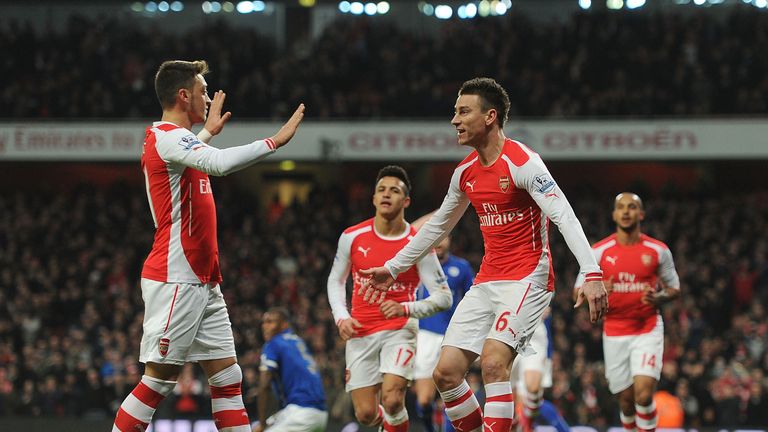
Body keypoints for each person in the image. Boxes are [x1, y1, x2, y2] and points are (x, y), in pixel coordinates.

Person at [361, 77, 608, 432]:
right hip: (487, 280)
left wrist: (592, 272)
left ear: (490, 117)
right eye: (455, 112)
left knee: (493, 363)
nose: (455, 120)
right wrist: (394, 267)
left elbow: (563, 215)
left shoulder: (523, 162)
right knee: (445, 374)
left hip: (528, 278)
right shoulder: (465, 173)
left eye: (464, 112)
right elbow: (437, 226)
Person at [112, 59, 305, 432]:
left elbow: (191, 157)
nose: (208, 98)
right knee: (158, 381)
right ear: (184, 96)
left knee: (227, 377)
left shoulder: (175, 141)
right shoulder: (167, 136)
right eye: (202, 91)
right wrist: (274, 141)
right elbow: (217, 164)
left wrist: (206, 133)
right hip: (176, 277)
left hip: (203, 279)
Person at [327, 165, 453, 431]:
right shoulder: (351, 237)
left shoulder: (418, 243)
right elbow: (335, 280)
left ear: (406, 201)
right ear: (373, 198)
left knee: (393, 400)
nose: (386, 194)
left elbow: (444, 298)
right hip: (361, 331)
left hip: (400, 329)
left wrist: (405, 308)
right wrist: (341, 318)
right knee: (365, 414)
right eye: (381, 190)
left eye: (394, 191)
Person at [574, 192, 680, 432]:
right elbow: (575, 293)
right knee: (626, 401)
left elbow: (674, 289)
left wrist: (658, 297)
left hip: (647, 329)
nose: (625, 211)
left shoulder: (658, 250)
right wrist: (596, 289)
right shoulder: (598, 252)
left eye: (631, 207)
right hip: (614, 332)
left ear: (641, 214)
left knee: (644, 395)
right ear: (614, 215)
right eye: (620, 207)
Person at [411, 233, 474, 432]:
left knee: (452, 395)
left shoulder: (462, 267)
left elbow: (472, 300)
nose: (439, 242)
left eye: (444, 238)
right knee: (424, 400)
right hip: (425, 336)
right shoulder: (418, 266)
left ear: (450, 240)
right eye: (436, 238)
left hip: (452, 336)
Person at [253, 307, 327, 432]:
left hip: (301, 412)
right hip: (320, 414)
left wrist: (262, 423)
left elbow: (264, 385)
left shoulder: (274, 343)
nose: (265, 326)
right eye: (264, 322)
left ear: (284, 324)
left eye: (270, 322)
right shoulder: (297, 342)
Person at [509, 312, 570, 432]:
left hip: (533, 332)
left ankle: (527, 426)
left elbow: (548, 307)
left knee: (531, 390)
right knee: (510, 397)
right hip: (505, 328)